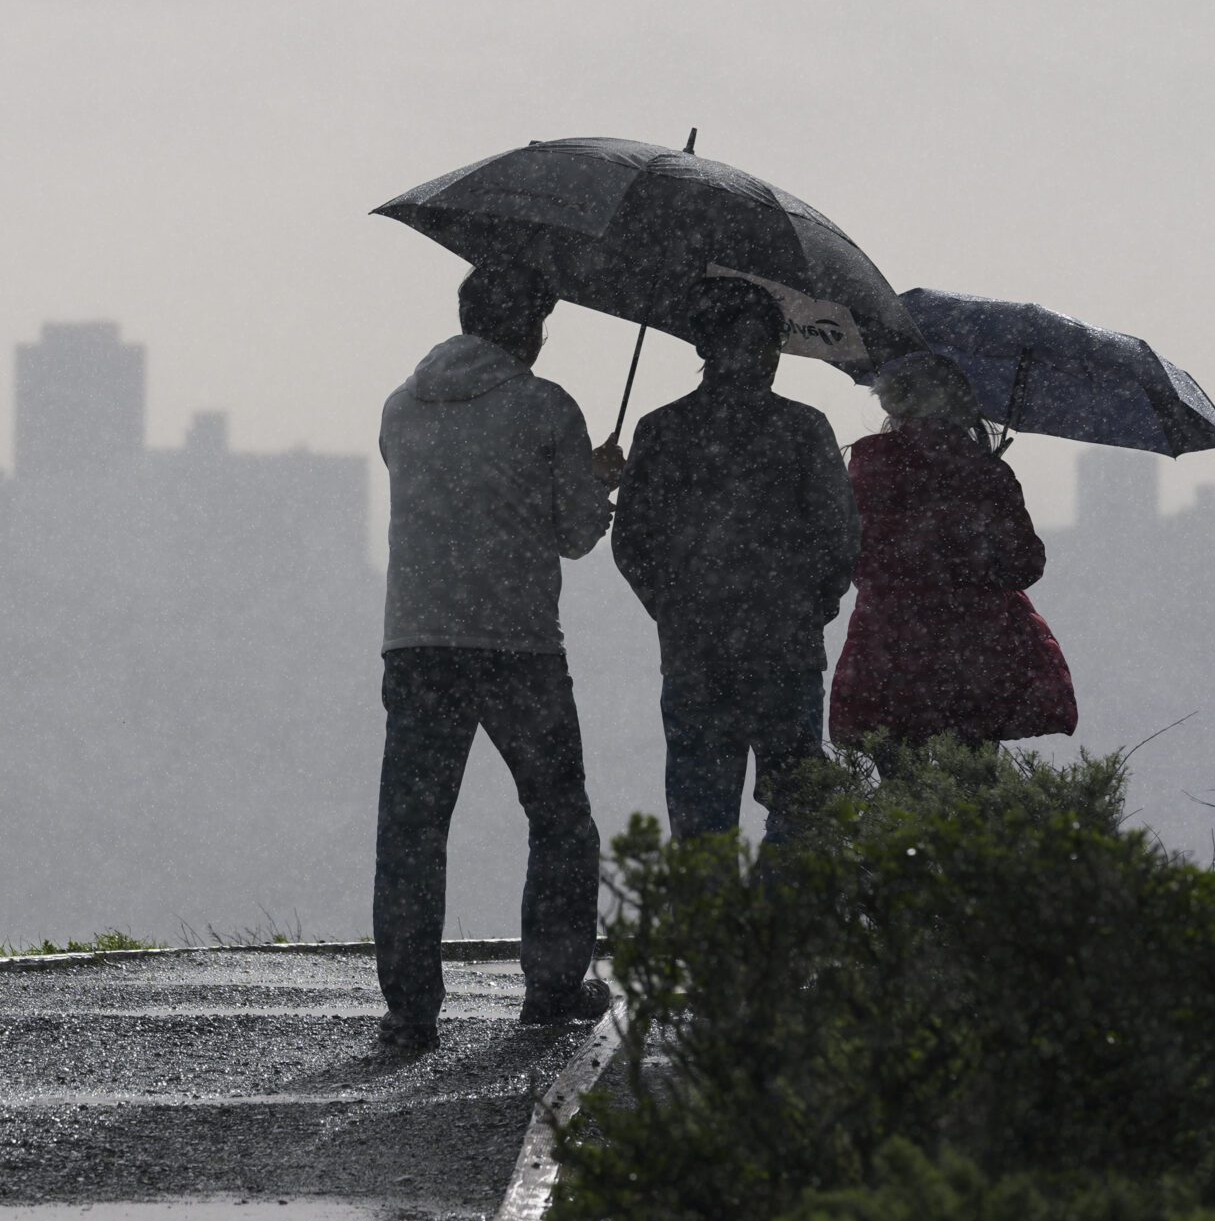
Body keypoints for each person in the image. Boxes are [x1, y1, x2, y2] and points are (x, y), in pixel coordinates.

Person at [374, 264, 626, 1056]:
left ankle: (410, 1011)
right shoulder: (546, 407)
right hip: (517, 643)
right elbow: (575, 533)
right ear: (530, 327)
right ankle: (552, 987)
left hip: (418, 638)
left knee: (413, 828)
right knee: (558, 815)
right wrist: (598, 480)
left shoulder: (400, 406)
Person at [612, 276, 858, 845]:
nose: (765, 356)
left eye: (768, 343)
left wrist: (675, 609)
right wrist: (809, 608)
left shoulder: (663, 429)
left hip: (699, 653)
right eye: (756, 341)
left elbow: (632, 544)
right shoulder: (802, 427)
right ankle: (782, 903)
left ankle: (718, 909)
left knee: (703, 820)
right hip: (784, 651)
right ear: (710, 345)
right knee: (800, 815)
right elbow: (840, 537)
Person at [829, 353, 1077, 750]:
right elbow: (1024, 565)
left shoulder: (868, 464)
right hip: (974, 652)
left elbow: (851, 554)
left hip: (888, 645)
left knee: (899, 770)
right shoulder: (984, 472)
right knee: (969, 776)